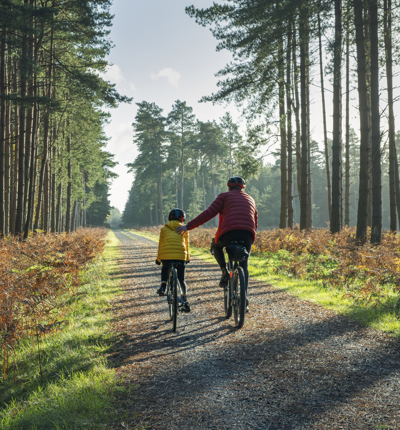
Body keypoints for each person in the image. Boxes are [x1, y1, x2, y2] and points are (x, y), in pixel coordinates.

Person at [176, 176, 257, 310]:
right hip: (247, 234)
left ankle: (224, 271)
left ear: (229, 187)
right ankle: (244, 299)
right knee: (244, 265)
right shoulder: (250, 199)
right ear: (243, 187)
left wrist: (188, 226)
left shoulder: (224, 196)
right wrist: (251, 238)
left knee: (216, 246)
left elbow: (209, 213)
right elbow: (255, 219)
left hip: (228, 233)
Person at [156, 208, 191, 313]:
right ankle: (184, 299)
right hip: (180, 256)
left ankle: (163, 286)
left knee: (165, 267)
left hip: (166, 256)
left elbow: (160, 245)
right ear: (182, 218)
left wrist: (158, 259)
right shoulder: (184, 229)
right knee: (181, 279)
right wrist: (187, 258)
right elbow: (187, 245)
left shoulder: (164, 229)